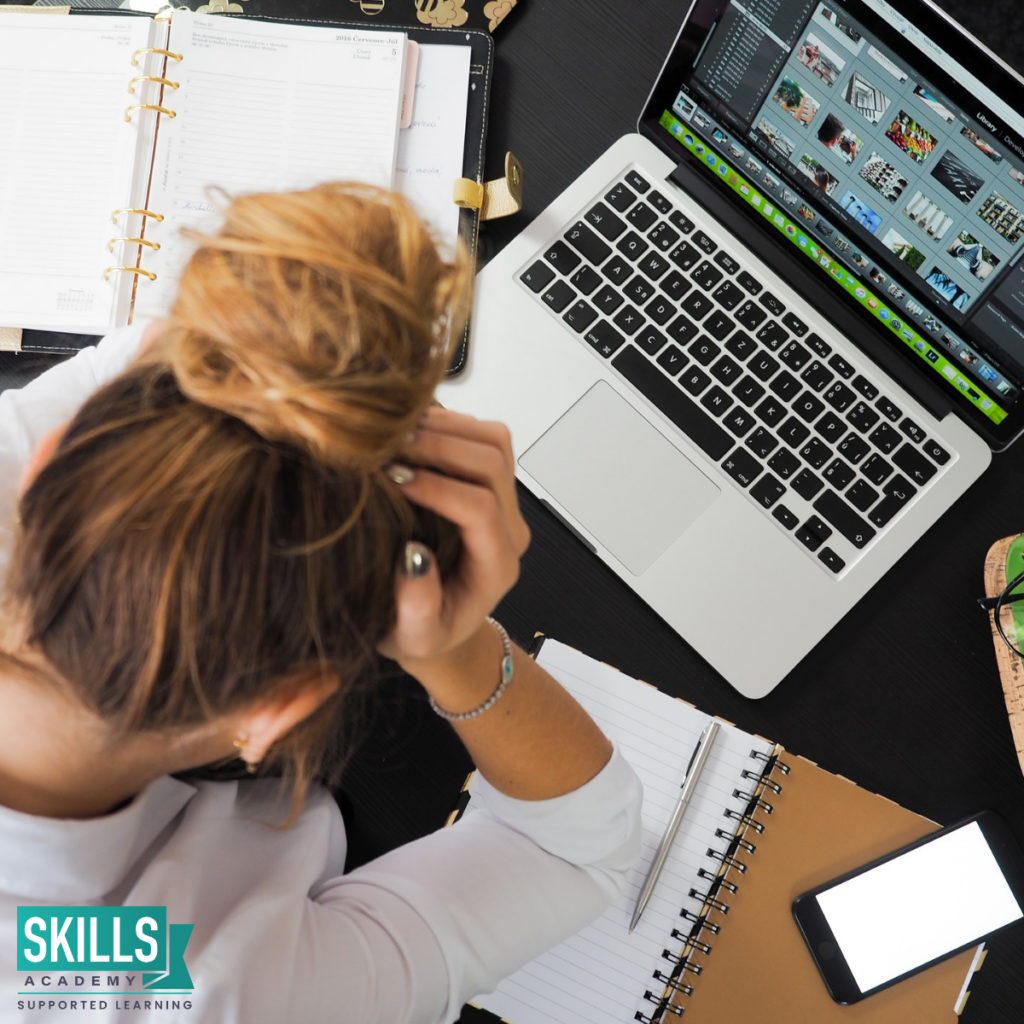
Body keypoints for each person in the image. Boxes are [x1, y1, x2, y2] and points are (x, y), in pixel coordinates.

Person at [0, 183, 642, 1022]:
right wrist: (455, 651)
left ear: (46, 464)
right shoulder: (184, 986)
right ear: (276, 715)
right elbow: (575, 850)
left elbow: (159, 350)